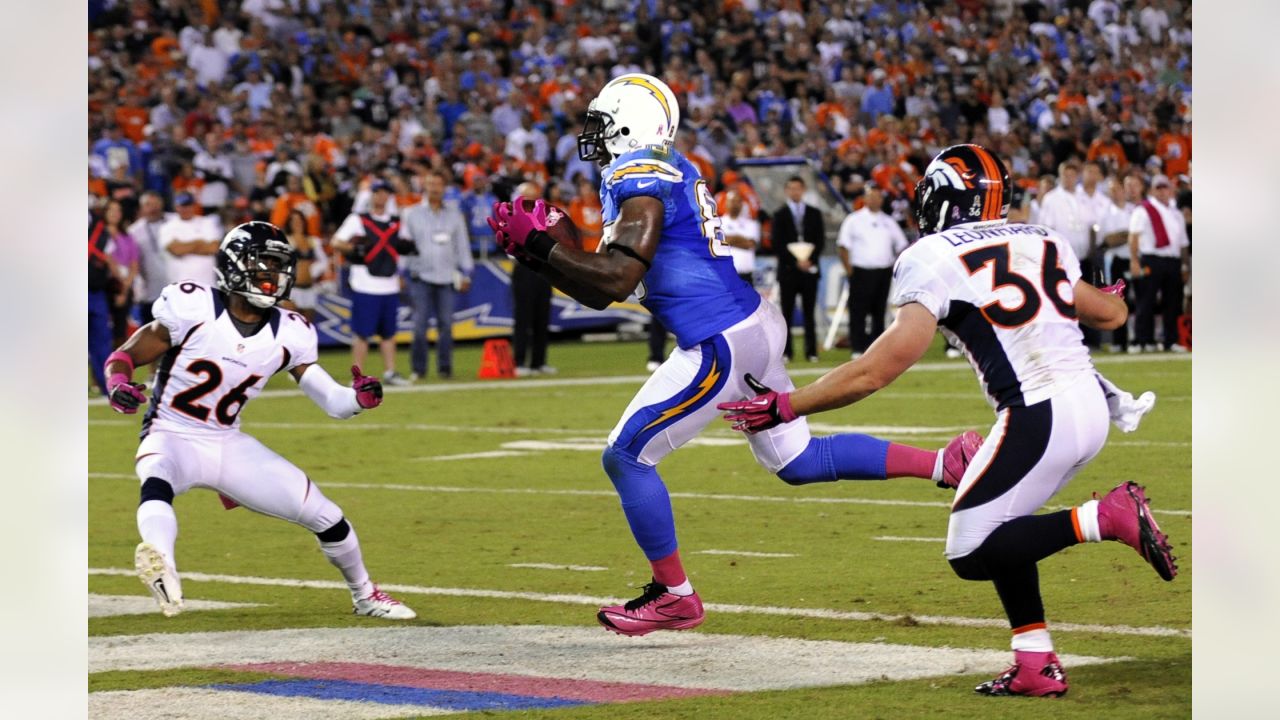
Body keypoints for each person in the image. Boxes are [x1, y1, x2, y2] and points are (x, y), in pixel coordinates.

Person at [488, 74, 980, 637]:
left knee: (626, 456)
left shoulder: (639, 175)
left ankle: (674, 596)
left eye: (601, 126)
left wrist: (545, 247)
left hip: (719, 339)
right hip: (748, 323)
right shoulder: (660, 169)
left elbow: (619, 279)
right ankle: (948, 463)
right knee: (795, 463)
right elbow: (602, 284)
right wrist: (543, 258)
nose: (593, 138)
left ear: (628, 126)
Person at [718, 144, 1178, 698]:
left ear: (940, 200)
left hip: (1038, 416)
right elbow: (1111, 313)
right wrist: (1099, 293)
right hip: (1088, 406)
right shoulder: (1042, 238)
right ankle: (1035, 662)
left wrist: (788, 405)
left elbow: (876, 370)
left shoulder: (931, 255)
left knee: (970, 551)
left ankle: (1104, 516)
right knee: (1005, 529)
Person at [103, 221, 415, 620]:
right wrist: (116, 383)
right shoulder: (193, 305)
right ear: (234, 266)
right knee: (157, 482)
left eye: (277, 266)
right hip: (171, 432)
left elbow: (334, 402)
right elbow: (126, 354)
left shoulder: (291, 331)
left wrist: (359, 399)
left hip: (227, 442)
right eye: (263, 264)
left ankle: (366, 595)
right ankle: (163, 565)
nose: (273, 276)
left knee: (327, 516)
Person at [331, 180, 412, 385]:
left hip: (390, 283)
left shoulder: (397, 222)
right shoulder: (357, 220)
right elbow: (336, 241)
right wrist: (354, 250)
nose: (382, 197)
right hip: (365, 284)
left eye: (386, 193)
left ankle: (390, 371)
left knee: (389, 333)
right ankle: (357, 376)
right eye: (378, 193)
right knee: (361, 334)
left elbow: (403, 248)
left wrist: (401, 272)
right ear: (372, 195)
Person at [400, 171, 473, 381]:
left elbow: (462, 246)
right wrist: (400, 272)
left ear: (444, 188)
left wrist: (466, 272)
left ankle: (445, 368)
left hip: (447, 277)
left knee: (447, 326)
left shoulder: (454, 214)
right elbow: (404, 245)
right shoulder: (411, 213)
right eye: (431, 184)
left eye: (438, 184)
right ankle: (419, 369)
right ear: (425, 186)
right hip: (420, 276)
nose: (434, 188)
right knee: (419, 326)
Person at [836, 185, 908, 356]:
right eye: (871, 196)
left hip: (883, 272)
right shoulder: (853, 220)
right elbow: (843, 246)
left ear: (882, 200)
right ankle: (858, 348)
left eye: (877, 196)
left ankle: (878, 349)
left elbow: (902, 245)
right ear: (864, 199)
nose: (874, 200)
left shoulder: (888, 221)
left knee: (879, 311)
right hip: (860, 271)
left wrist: (894, 266)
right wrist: (849, 270)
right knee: (858, 311)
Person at [1036, 160, 1099, 347]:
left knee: (1087, 299)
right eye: (1066, 175)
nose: (1069, 179)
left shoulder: (1083, 197)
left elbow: (1092, 226)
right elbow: (1046, 229)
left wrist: (1093, 250)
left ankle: (1090, 339)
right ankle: (1066, 340)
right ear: (1060, 176)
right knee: (1063, 298)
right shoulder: (1051, 199)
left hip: (1084, 257)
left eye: (1072, 175)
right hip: (1061, 259)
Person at [1128, 174, 1189, 352]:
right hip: (1151, 258)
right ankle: (1142, 340)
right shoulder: (1143, 210)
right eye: (1158, 188)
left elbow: (1183, 243)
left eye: (1165, 188)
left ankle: (1171, 339)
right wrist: (1134, 261)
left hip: (1173, 261)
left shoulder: (1176, 213)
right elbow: (1134, 237)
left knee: (1173, 302)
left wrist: (1184, 265)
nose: (1162, 192)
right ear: (1152, 191)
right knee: (1146, 299)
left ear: (1171, 190)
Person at [772, 175, 825, 362]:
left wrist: (809, 260)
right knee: (786, 312)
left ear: (803, 190)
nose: (795, 191)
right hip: (788, 271)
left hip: (809, 271)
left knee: (810, 312)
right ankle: (786, 352)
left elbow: (820, 241)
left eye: (798, 188)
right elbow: (777, 243)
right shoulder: (779, 215)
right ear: (787, 191)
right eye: (791, 188)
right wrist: (795, 262)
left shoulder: (814, 213)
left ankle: (811, 351)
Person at [510, 182, 555, 377]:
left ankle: (539, 361)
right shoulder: (511, 217)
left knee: (542, 317)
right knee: (523, 318)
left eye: (534, 196)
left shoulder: (546, 218)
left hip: (544, 269)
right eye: (527, 196)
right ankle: (519, 361)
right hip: (524, 267)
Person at [129, 191, 174, 326]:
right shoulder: (133, 231)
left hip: (177, 291)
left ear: (162, 204)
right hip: (150, 292)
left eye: (156, 204)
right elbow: (132, 262)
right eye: (148, 205)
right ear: (141, 208)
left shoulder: (175, 221)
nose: (153, 208)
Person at [158, 192, 221, 287]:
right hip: (179, 285)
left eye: (188, 205)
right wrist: (199, 242)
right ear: (176, 207)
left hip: (207, 284)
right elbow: (177, 250)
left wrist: (184, 246)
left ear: (193, 206)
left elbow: (213, 248)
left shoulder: (207, 222)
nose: (185, 209)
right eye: (182, 206)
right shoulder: (167, 227)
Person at [103, 199, 141, 347]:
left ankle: (116, 364)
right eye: (111, 209)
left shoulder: (128, 236)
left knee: (120, 330)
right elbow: (107, 259)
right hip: (102, 286)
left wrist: (124, 289)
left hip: (123, 286)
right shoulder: (97, 234)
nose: (115, 213)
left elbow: (134, 264)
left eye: (118, 210)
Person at [283, 209, 329, 324]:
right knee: (290, 326)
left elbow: (324, 261)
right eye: (293, 221)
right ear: (289, 223)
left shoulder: (313, 241)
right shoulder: (285, 241)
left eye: (299, 220)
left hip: (309, 290)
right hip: (292, 290)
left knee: (307, 327)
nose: (297, 223)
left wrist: (313, 271)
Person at [720, 188, 760, 285]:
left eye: (738, 201)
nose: (735, 204)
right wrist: (742, 239)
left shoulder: (752, 224)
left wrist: (729, 239)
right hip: (725, 274)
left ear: (742, 204)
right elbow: (719, 242)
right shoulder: (718, 223)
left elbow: (750, 244)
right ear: (726, 203)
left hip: (746, 275)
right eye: (732, 201)